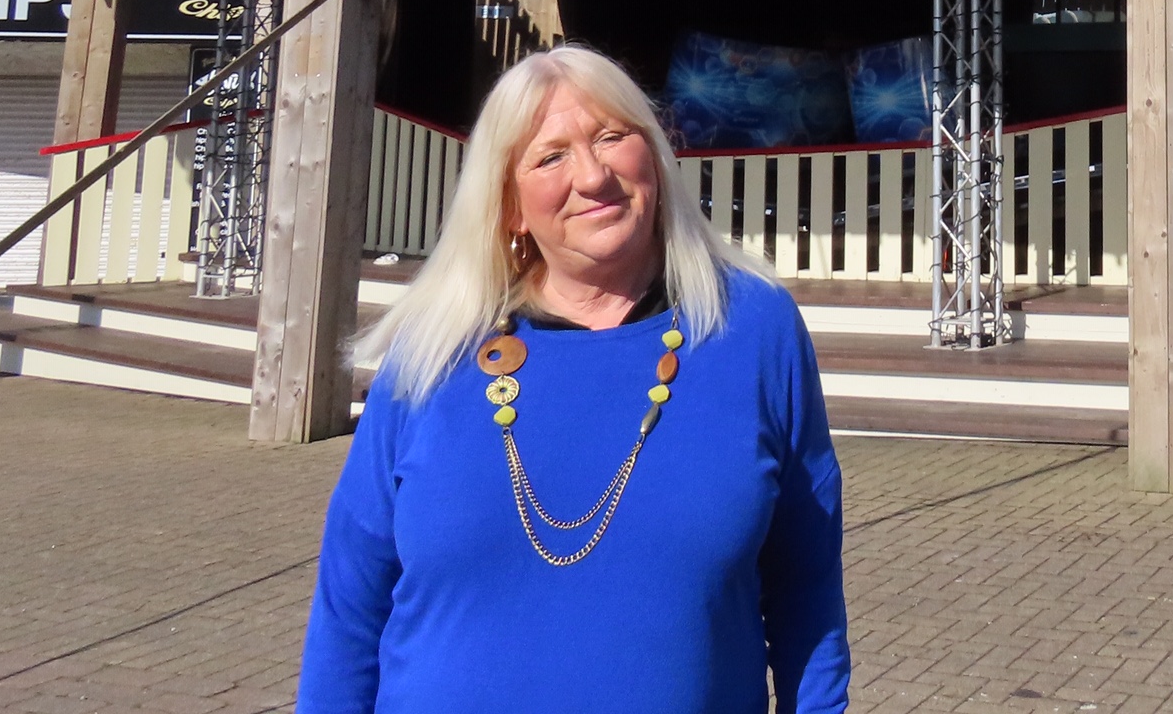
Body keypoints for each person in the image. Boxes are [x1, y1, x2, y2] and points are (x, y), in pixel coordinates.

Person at [297, 44, 850, 713]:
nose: (594, 175)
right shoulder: (432, 350)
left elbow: (806, 588)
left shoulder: (755, 330)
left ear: (655, 154)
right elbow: (349, 612)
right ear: (509, 206)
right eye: (551, 155)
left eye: (612, 137)